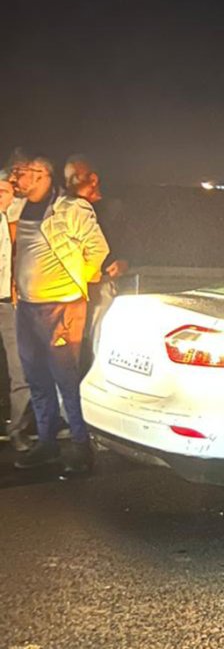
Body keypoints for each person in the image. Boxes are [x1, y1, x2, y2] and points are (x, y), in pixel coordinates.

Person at [8, 152, 109, 473]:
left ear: (42, 175)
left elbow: (98, 250)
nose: (16, 177)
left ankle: (81, 445)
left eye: (23, 172)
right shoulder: (17, 207)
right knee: (36, 378)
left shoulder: (70, 208)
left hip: (62, 307)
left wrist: (75, 286)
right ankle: (47, 442)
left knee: (66, 379)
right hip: (27, 307)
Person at [64, 155, 127, 366]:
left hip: (101, 286)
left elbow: (129, 242)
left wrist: (124, 261)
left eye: (74, 177)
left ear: (93, 179)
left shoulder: (112, 208)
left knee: (97, 342)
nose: (69, 183)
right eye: (67, 178)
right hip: (70, 288)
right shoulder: (66, 209)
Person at [0, 170, 34, 451]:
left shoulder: (17, 226)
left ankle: (17, 430)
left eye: (4, 191)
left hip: (8, 303)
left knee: (19, 368)